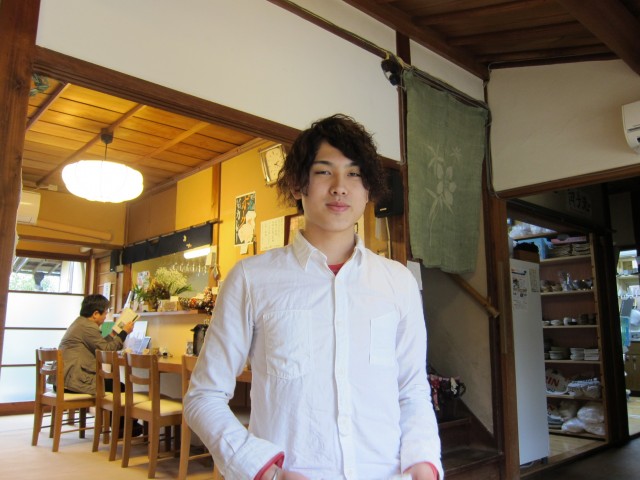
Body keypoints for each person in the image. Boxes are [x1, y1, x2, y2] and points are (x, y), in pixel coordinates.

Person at [184, 114, 443, 480]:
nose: (340, 187)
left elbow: (412, 389)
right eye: (324, 171)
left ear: (368, 189)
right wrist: (265, 471)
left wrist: (424, 464)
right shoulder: (251, 279)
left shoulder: (397, 282)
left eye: (354, 174)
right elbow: (204, 396)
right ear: (297, 184)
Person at [57, 294, 142, 436]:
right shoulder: (88, 327)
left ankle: (124, 426)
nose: (105, 316)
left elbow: (100, 344)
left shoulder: (80, 323)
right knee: (119, 387)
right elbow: (107, 349)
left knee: (116, 385)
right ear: (95, 314)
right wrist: (124, 333)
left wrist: (115, 333)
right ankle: (123, 428)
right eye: (105, 313)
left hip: (65, 379)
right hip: (74, 380)